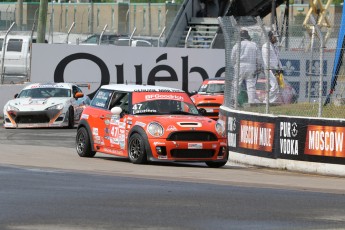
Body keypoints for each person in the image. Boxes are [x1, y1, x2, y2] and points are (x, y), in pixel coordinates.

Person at [231, 29, 261, 104]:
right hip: (251, 65)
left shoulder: (237, 45)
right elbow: (259, 58)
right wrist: (258, 67)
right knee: (251, 86)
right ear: (248, 37)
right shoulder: (254, 45)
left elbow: (232, 58)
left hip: (239, 65)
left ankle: (235, 102)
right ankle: (251, 103)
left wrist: (234, 65)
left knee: (236, 84)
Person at [261, 30, 281, 103]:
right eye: (274, 37)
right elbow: (267, 60)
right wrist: (273, 69)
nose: (276, 38)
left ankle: (272, 101)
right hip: (269, 69)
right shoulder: (266, 46)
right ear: (270, 37)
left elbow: (277, 59)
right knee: (274, 85)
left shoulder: (275, 46)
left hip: (276, 69)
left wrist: (280, 68)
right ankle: (266, 102)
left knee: (278, 86)